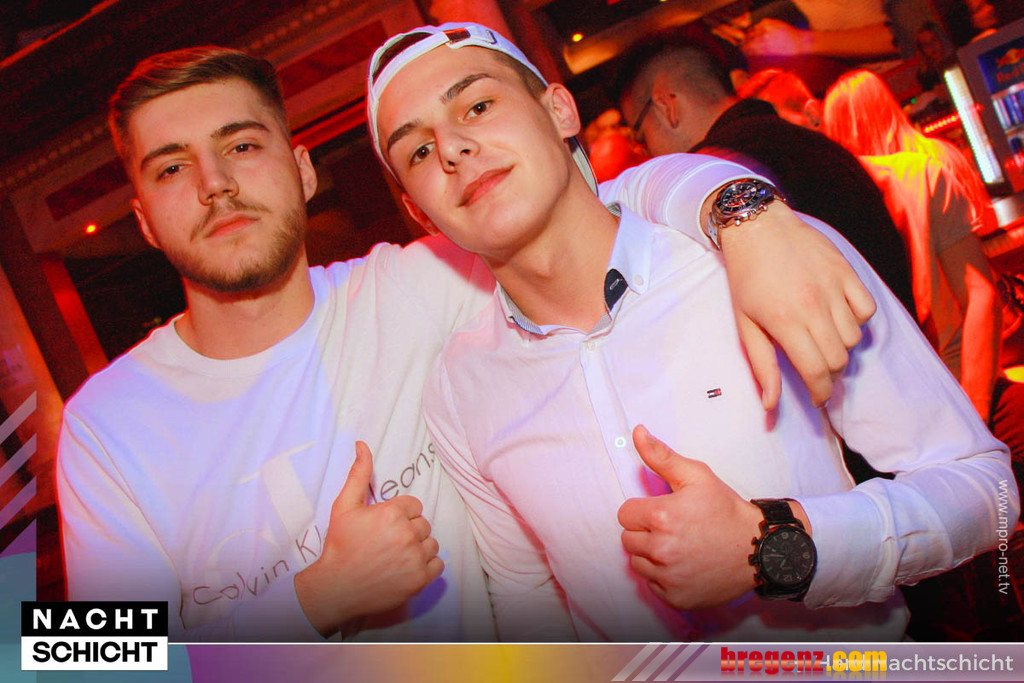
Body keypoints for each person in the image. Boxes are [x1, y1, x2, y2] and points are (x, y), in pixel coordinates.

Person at [56, 44, 872, 642]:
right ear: (143, 221)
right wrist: (313, 598)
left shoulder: (417, 287)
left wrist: (741, 210)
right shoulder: (107, 425)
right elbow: (77, 658)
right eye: (171, 168)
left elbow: (579, 196)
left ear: (302, 170)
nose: (215, 185)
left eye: (241, 145)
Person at [368, 21, 1015, 642]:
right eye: (418, 150)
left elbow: (988, 489)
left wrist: (780, 546)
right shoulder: (460, 386)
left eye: (478, 106)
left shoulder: (761, 259)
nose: (451, 147)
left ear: (559, 110)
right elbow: (531, 603)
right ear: (418, 212)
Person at [613, 30, 916, 322]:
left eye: (640, 135)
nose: (645, 152)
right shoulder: (806, 141)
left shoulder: (719, 175)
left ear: (667, 106)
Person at [823, 69, 1001, 421]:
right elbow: (986, 223)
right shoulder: (937, 156)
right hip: (975, 344)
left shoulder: (851, 198)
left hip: (945, 360)